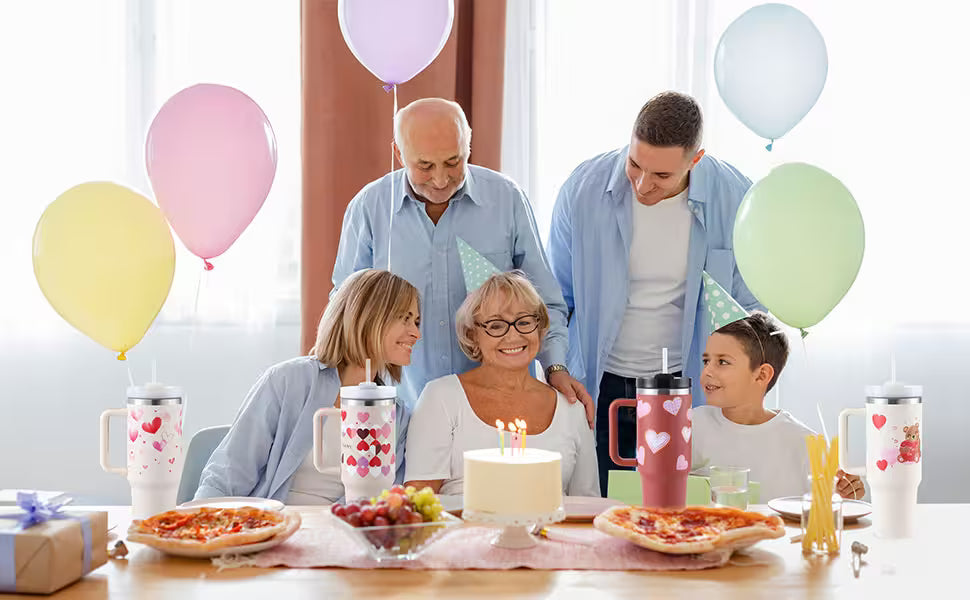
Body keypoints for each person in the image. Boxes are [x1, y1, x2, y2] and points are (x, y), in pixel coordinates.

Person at [546, 91, 763, 495]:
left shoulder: (737, 198)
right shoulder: (582, 190)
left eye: (661, 176)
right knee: (603, 510)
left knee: (682, 508)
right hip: (597, 385)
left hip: (691, 386)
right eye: (634, 164)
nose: (643, 185)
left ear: (695, 161)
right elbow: (554, 297)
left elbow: (750, 307)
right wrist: (556, 368)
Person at [332, 97, 592, 425]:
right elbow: (346, 311)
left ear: (468, 147)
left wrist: (555, 367)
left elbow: (546, 304)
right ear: (399, 154)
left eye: (454, 162)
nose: (440, 179)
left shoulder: (507, 199)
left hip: (500, 413)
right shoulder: (369, 208)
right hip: (403, 412)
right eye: (424, 166)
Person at [194, 269, 421, 503]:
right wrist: (201, 527)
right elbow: (227, 474)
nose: (416, 333)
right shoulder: (288, 381)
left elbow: (381, 505)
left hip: (343, 533)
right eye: (405, 318)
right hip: (272, 526)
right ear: (369, 315)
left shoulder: (398, 416)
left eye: (416, 321)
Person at [403, 271, 599, 497]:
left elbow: (588, 506)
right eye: (496, 325)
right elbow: (418, 504)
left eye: (524, 322)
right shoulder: (441, 398)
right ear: (472, 334)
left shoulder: (571, 406)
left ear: (539, 327)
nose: (513, 335)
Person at [693, 312, 865, 501]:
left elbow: (828, 506)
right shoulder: (691, 425)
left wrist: (845, 492)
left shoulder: (805, 443)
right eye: (706, 361)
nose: (707, 371)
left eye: (723, 362)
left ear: (761, 375)